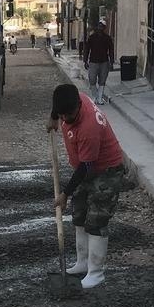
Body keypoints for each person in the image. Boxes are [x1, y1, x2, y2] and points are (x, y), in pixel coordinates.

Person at [47, 82, 125, 290]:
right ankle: (82, 262)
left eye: (69, 115)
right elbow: (59, 104)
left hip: (106, 170)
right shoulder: (72, 98)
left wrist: (65, 193)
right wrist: (53, 117)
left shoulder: (89, 127)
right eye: (62, 115)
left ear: (79, 106)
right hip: (85, 167)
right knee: (79, 214)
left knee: (96, 220)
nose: (65, 119)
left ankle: (96, 273)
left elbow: (86, 167)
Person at [83, 19, 115, 106]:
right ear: (97, 27)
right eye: (99, 26)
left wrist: (111, 62)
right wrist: (85, 61)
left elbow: (111, 51)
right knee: (92, 79)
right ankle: (95, 96)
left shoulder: (107, 38)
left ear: (104, 28)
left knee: (102, 81)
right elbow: (87, 49)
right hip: (93, 62)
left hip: (104, 62)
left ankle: (100, 98)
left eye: (102, 26)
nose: (100, 28)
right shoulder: (92, 37)